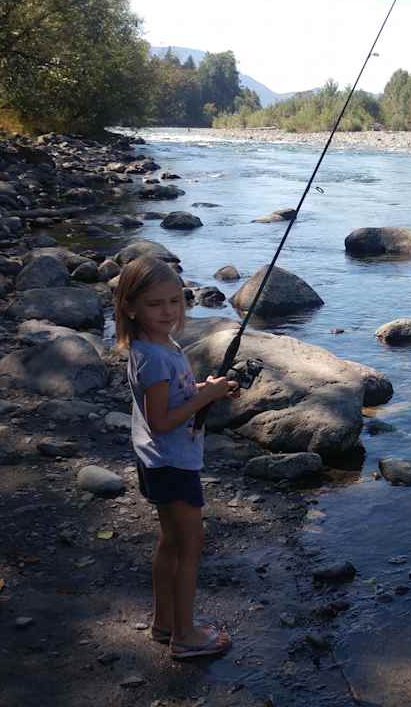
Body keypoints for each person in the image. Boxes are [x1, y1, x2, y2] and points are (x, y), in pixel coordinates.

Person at [114, 256, 239, 660]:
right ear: (130, 308)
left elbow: (170, 400)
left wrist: (205, 388)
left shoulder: (156, 344)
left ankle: (164, 622)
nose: (168, 311)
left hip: (158, 460)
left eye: (174, 301)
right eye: (155, 304)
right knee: (189, 547)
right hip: (172, 462)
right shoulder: (153, 356)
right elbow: (162, 420)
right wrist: (204, 397)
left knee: (171, 542)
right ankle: (185, 636)